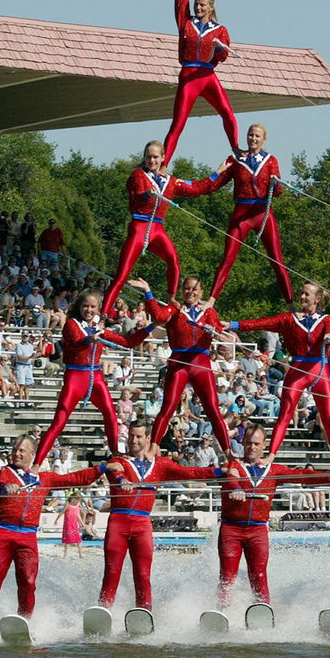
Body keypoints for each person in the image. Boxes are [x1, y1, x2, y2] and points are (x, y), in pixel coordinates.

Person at [96, 420, 224, 611]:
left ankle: (145, 611)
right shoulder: (118, 462)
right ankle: (103, 610)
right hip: (118, 523)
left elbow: (190, 472)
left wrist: (220, 471)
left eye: (138, 436)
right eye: (131, 435)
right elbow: (117, 475)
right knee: (112, 572)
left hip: (142, 524)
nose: (133, 440)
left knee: (143, 575)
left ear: (148, 438)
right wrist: (122, 480)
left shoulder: (160, 465)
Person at [0, 435, 101, 619]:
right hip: (3, 532)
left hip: (28, 536)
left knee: (28, 581)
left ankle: (25, 619)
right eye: (15, 450)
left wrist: (102, 468)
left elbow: (76, 478)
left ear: (32, 455)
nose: (16, 453)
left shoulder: (44, 479)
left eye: (21, 451)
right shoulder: (4, 473)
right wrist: (5, 487)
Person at [210, 425, 330, 607]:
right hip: (231, 529)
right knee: (227, 576)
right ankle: (221, 610)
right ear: (242, 442)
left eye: (256, 444)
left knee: (259, 575)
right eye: (249, 443)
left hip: (258, 530)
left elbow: (303, 475)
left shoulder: (273, 470)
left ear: (264, 446)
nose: (252, 447)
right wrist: (235, 489)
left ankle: (262, 608)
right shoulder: (232, 466)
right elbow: (230, 479)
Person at [225, 281, 330, 463]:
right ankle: (271, 456)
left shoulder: (327, 319)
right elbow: (261, 323)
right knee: (285, 414)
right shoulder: (289, 319)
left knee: (329, 418)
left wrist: (329, 338)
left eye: (307, 294)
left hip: (320, 371)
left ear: (317, 299)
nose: (302, 297)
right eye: (302, 293)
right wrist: (234, 325)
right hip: (297, 369)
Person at [178, 124, 292, 304]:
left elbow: (278, 192)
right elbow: (210, 186)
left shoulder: (270, 160)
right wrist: (213, 174)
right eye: (250, 135)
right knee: (228, 258)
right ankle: (211, 301)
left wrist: (275, 183)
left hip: (263, 213)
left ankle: (291, 304)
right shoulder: (235, 160)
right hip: (241, 214)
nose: (253, 139)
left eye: (257, 136)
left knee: (277, 260)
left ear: (264, 139)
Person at [35, 289, 151, 465]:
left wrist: (150, 327)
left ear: (98, 309)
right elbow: (74, 344)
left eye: (93, 307)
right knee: (59, 421)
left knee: (111, 413)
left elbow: (129, 342)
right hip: (75, 376)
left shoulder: (99, 329)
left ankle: (115, 453)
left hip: (95, 376)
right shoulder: (72, 324)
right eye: (85, 306)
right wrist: (89, 340)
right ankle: (37, 464)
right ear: (80, 307)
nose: (88, 310)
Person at [162, 0, 239, 161]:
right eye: (196, 3)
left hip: (206, 76)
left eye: (202, 4)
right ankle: (163, 163)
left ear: (211, 7)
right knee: (179, 122)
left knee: (228, 112)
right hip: (189, 75)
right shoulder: (186, 23)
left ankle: (237, 151)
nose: (198, 7)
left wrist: (218, 49)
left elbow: (222, 57)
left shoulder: (220, 30)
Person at [129, 276, 230, 449]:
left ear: (201, 293)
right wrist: (148, 291)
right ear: (182, 290)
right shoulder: (175, 309)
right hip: (178, 363)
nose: (190, 292)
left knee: (213, 409)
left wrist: (213, 330)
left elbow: (218, 330)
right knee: (167, 408)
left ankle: (227, 452)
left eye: (194, 289)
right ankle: (153, 448)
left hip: (201, 363)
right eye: (187, 288)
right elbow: (158, 316)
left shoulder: (208, 311)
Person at [102, 141, 202, 315]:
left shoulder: (169, 181)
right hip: (139, 228)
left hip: (157, 229)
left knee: (173, 260)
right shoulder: (138, 175)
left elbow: (199, 188)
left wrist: (220, 174)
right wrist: (146, 194)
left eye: (155, 157)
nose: (152, 160)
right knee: (122, 274)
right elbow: (136, 193)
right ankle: (102, 314)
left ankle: (171, 297)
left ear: (163, 158)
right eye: (148, 157)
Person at [57, 491, 85, 559]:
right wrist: (56, 519)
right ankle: (65, 554)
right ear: (73, 498)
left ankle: (80, 554)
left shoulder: (77, 505)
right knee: (67, 540)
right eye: (77, 500)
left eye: (79, 500)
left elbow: (78, 514)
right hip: (68, 525)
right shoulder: (68, 505)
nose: (78, 501)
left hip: (74, 525)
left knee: (78, 539)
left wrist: (81, 522)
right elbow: (62, 512)